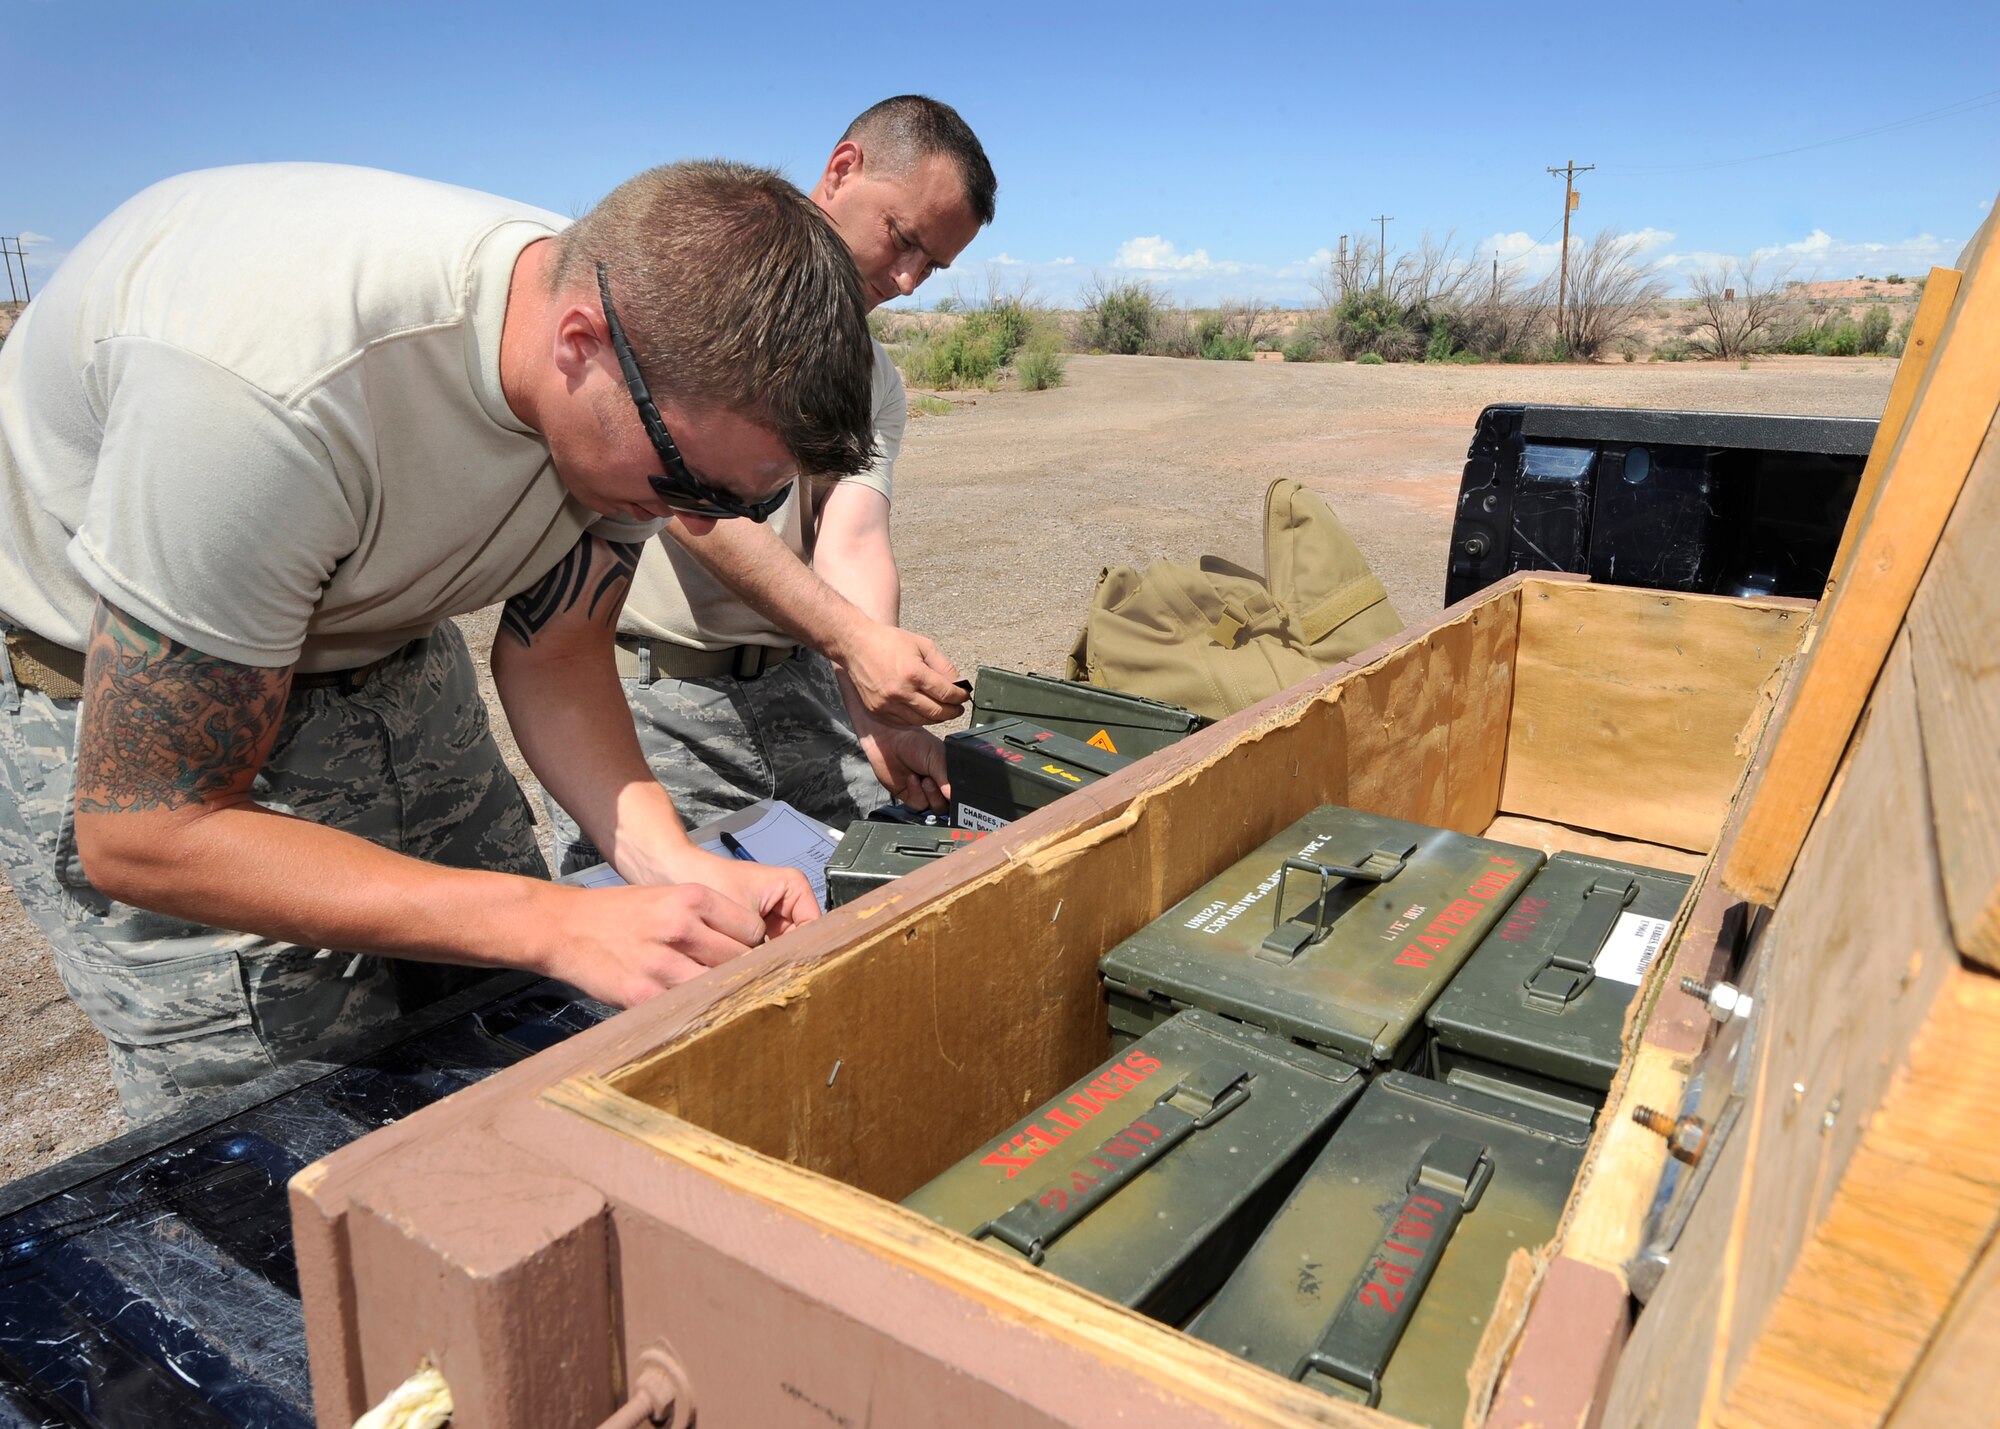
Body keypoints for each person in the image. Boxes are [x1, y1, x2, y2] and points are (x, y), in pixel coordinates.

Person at [0, 158, 875, 1121]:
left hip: (392, 658)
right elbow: (148, 827)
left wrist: (675, 863)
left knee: (508, 1045)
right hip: (121, 698)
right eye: (694, 490)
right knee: (287, 1136)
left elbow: (559, 649)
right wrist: (549, 919)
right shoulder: (264, 393)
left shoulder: (642, 358)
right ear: (579, 343)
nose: (705, 520)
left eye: (746, 501)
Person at [550, 96, 996, 873]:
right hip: (658, 701)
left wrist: (878, 710)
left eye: (934, 265)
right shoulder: (693, 297)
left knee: (863, 905)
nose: (908, 280)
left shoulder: (870, 375)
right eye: (904, 239)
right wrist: (855, 644)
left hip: (797, 688)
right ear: (843, 168)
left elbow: (851, 541)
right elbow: (692, 505)